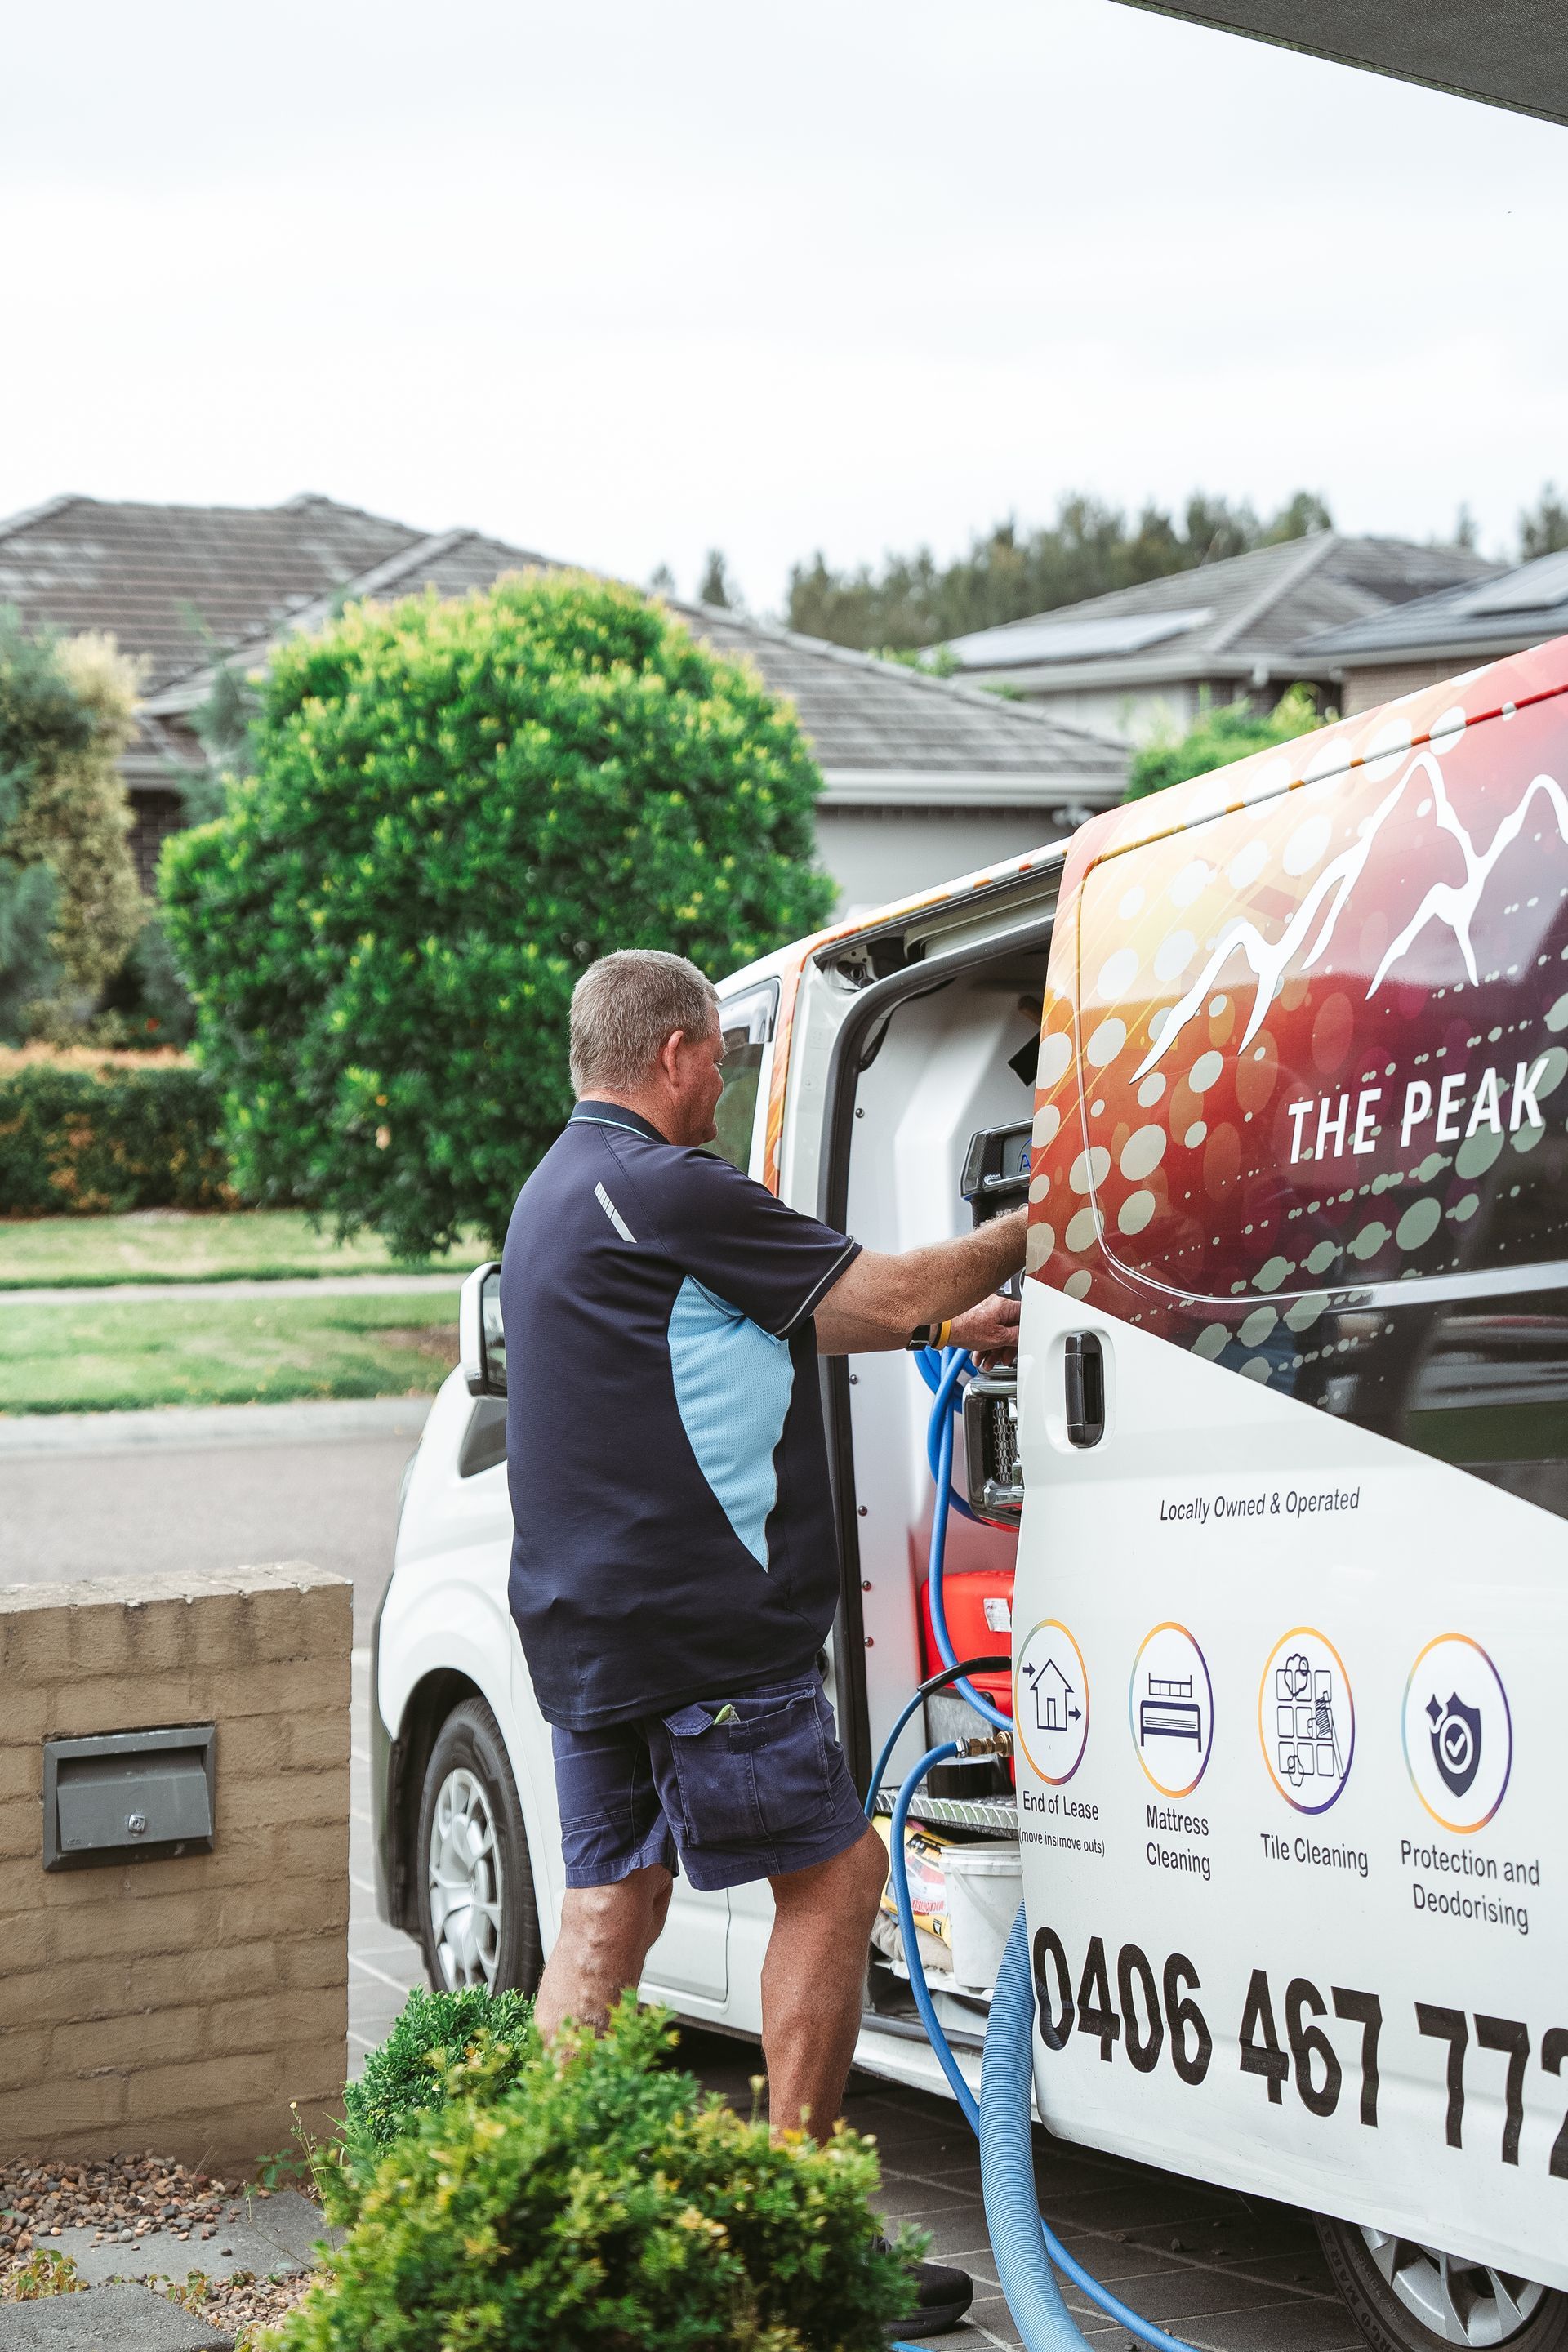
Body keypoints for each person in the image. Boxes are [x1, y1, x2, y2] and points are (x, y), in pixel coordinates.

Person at [501, 948, 1025, 2339]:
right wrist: (1042, 1221)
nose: (722, 1083)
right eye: (717, 1063)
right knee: (840, 1879)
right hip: (703, 1632)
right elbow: (861, 1293)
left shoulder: (558, 1191)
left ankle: (549, 2228)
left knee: (609, 1908)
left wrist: (943, 1317)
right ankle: (797, 2235)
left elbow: (738, 1327)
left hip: (584, 1622)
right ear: (675, 1053)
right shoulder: (673, 1183)